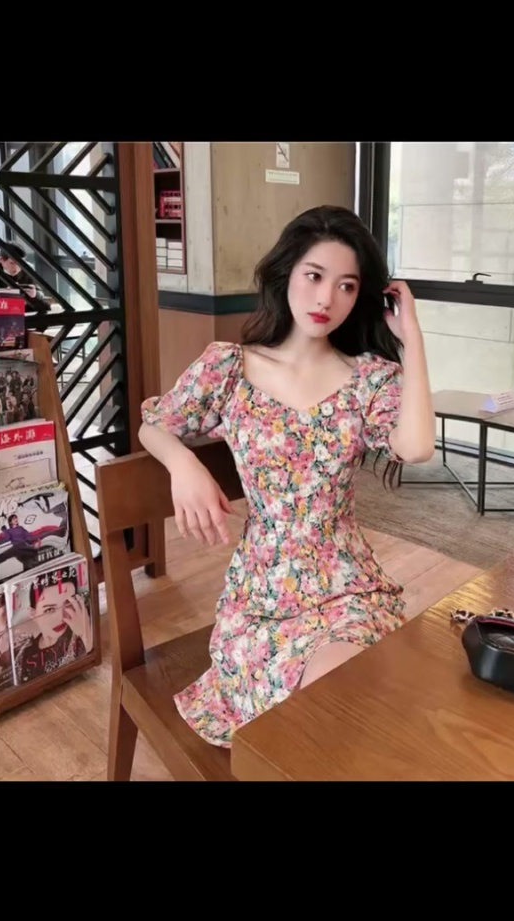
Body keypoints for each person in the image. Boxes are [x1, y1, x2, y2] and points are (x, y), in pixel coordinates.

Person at [139, 205, 436, 748]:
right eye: (314, 276)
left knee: (345, 699)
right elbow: (154, 425)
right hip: (263, 592)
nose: (327, 299)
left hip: (348, 586)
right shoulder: (228, 368)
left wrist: (411, 337)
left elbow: (416, 447)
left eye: (347, 286)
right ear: (287, 273)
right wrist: (184, 464)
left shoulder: (368, 379)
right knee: (320, 719)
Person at [14, 575, 93, 684]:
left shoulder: (80, 634)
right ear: (33, 614)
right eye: (50, 610)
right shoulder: (23, 654)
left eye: (68, 604)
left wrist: (84, 633)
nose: (61, 617)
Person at [0, 243, 50, 315]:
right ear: (1, 260)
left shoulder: (27, 268)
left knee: (45, 306)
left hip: (21, 306)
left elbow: (40, 293)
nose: (16, 267)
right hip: (0, 306)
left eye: (20, 263)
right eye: (12, 263)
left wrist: (34, 294)